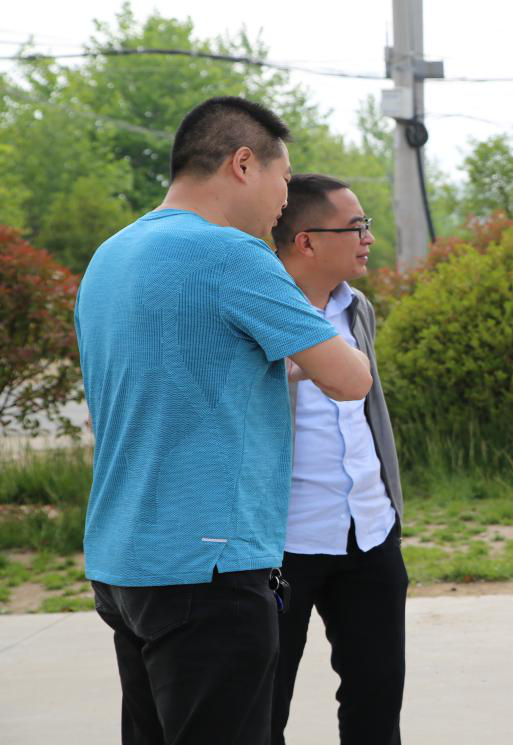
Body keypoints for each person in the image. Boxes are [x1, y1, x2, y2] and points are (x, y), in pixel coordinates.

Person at [76, 97, 373, 745]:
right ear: (243, 164)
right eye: (284, 178)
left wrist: (272, 364)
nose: (285, 200)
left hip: (124, 562)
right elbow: (350, 379)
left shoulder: (111, 256)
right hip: (209, 568)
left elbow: (175, 375)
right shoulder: (233, 255)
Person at [269, 175, 408, 744]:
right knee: (262, 708)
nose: (368, 238)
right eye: (356, 227)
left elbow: (367, 410)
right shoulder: (258, 307)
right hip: (283, 543)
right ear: (306, 241)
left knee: (377, 702)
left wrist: (391, 512)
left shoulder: (357, 308)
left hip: (369, 535)